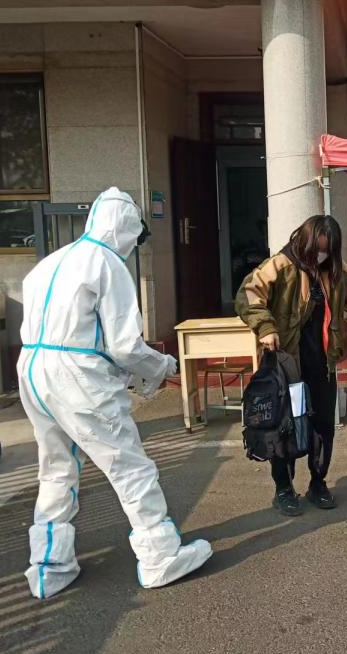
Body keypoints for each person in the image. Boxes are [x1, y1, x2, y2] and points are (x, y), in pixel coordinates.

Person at [18, 187, 211, 600]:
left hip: (32, 368)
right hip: (76, 376)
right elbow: (124, 346)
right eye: (135, 235)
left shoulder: (49, 263)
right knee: (129, 465)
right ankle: (160, 555)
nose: (133, 244)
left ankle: (50, 566)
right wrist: (162, 367)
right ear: (125, 228)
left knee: (56, 468)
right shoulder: (106, 264)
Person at [236, 215, 347, 517]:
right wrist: (265, 327)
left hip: (322, 364)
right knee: (283, 428)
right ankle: (283, 489)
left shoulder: (337, 271)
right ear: (304, 242)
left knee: (323, 427)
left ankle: (318, 483)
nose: (321, 255)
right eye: (317, 248)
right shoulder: (280, 265)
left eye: (327, 250)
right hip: (286, 365)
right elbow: (248, 294)